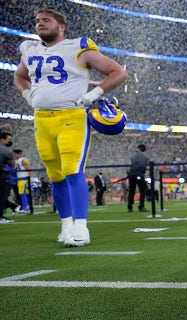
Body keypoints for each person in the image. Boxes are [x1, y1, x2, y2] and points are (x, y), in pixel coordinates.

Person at [13, 9, 128, 246]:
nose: (40, 24)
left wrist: (94, 93)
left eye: (46, 20)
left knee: (73, 171)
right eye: (37, 21)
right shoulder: (30, 50)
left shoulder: (78, 47)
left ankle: (81, 227)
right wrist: (28, 96)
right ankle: (65, 227)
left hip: (71, 117)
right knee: (55, 176)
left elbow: (118, 72)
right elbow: (20, 77)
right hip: (42, 119)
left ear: (62, 26)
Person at [127, 144, 150, 212]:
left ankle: (130, 207)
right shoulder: (146, 157)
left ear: (139, 148)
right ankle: (141, 207)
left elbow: (130, 166)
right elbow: (149, 166)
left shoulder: (133, 156)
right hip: (140, 174)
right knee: (142, 191)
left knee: (131, 191)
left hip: (132, 175)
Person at [0, 133, 16, 223]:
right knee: (2, 196)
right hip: (1, 176)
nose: (10, 141)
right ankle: (0, 217)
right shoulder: (6, 150)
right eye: (8, 139)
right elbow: (12, 163)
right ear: (2, 139)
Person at [13, 149, 33, 213]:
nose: (14, 155)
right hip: (20, 179)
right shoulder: (17, 161)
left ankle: (25, 208)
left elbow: (29, 168)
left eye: (15, 154)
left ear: (19, 153)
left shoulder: (23, 160)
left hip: (24, 179)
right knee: (23, 194)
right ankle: (27, 208)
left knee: (23, 194)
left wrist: (29, 178)